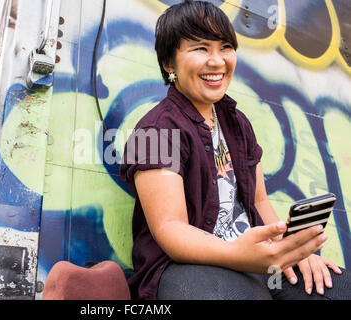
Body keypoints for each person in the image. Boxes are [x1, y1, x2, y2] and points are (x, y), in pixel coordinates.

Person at [119, 0, 351, 300]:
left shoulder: (238, 123)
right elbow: (170, 228)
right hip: (185, 267)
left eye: (225, 47)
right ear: (169, 63)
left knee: (337, 288)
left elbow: (260, 200)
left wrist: (292, 249)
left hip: (255, 262)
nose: (217, 61)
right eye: (200, 48)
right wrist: (236, 253)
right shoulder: (156, 130)